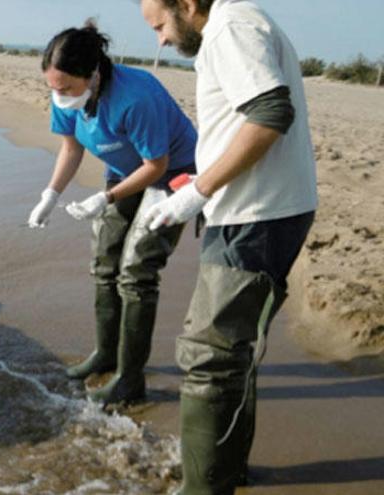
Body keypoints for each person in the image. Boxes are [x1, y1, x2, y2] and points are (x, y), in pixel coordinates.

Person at [137, 0, 318, 493]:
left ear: (188, 5)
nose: (161, 39)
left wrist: (200, 190)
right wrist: (203, 179)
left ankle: (206, 487)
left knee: (208, 356)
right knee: (228, 352)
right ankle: (227, 470)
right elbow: (248, 118)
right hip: (250, 207)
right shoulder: (235, 24)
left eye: (159, 25)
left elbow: (269, 111)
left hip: (257, 214)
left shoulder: (231, 26)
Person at [28, 22, 197, 405]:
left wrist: (104, 199)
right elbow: (71, 149)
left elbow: (156, 165)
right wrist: (50, 196)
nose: (59, 95)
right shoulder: (66, 98)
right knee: (105, 261)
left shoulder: (135, 98)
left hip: (172, 177)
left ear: (94, 74)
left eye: (67, 87)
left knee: (137, 271)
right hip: (123, 172)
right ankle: (106, 353)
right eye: (52, 87)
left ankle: (130, 379)